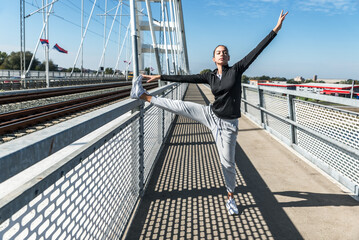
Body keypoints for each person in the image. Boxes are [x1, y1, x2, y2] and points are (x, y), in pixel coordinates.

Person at [130, 10, 288, 215]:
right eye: (218, 52)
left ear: (228, 57)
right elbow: (185, 79)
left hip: (229, 124)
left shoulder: (237, 69)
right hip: (210, 114)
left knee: (227, 163)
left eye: (225, 51)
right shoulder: (210, 76)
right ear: (213, 58)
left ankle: (230, 197)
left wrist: (275, 30)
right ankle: (142, 95)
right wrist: (160, 75)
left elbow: (257, 50)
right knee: (179, 106)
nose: (222, 53)